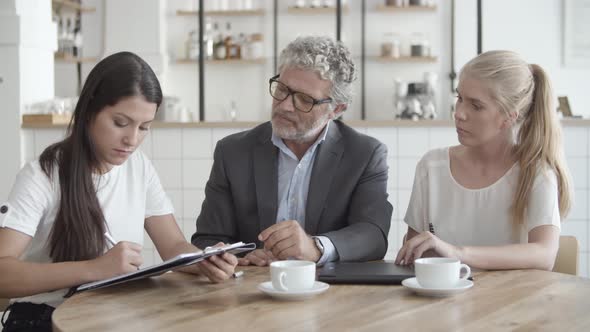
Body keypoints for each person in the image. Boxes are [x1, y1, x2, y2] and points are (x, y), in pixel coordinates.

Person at [0, 52, 237, 332]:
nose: (132, 139)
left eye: (144, 127)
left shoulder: (139, 167)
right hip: (42, 320)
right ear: (89, 111)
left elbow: (172, 246)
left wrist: (203, 259)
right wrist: (96, 268)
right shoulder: (42, 175)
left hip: (111, 316)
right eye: (120, 123)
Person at [192, 36, 392, 267]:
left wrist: (316, 247)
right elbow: (207, 240)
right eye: (282, 89)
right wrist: (239, 257)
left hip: (330, 293)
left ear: (336, 109)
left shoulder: (365, 154)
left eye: (305, 100)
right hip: (251, 290)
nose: (285, 105)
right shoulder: (233, 152)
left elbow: (373, 236)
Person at [395, 50, 572, 271]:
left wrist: (457, 253)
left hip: (512, 302)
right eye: (459, 98)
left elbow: (544, 255)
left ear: (509, 116)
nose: (459, 113)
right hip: (443, 303)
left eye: (476, 105)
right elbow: (414, 254)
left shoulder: (536, 172)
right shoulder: (431, 167)